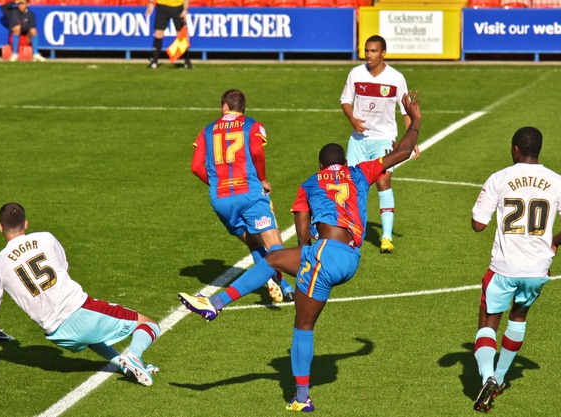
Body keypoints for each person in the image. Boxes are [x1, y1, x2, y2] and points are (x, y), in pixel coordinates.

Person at [180, 91, 422, 412]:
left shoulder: (310, 183)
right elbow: (404, 150)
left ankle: (217, 306)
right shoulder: (361, 172)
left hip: (324, 254)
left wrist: (307, 255)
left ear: (320, 166)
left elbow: (304, 234)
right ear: (343, 163)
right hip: (350, 259)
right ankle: (297, 395)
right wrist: (415, 119)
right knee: (277, 264)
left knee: (297, 311)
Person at [0, 203, 161, 387]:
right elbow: (65, 270)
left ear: (0, 227)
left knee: (91, 339)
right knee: (148, 324)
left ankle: (126, 365)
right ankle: (134, 356)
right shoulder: (46, 238)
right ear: (25, 223)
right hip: (81, 311)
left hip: (58, 334)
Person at [470, 126, 561, 412]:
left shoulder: (500, 178)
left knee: (488, 321)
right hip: (537, 268)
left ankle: (488, 376)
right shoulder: (558, 181)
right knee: (518, 317)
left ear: (515, 149)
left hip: (504, 266)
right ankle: (502, 378)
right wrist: (553, 242)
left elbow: (478, 224)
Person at [188, 89, 294, 305]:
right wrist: (263, 180)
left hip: (221, 199)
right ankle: (287, 285)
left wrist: (216, 183)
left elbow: (196, 166)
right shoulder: (252, 125)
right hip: (249, 193)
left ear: (224, 106)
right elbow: (256, 152)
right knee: (274, 245)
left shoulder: (207, 130)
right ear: (242, 108)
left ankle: (282, 284)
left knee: (254, 242)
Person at [340, 34, 419, 254]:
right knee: (354, 187)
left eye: (373, 51)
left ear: (383, 53)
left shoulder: (396, 78)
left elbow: (406, 111)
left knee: (383, 182)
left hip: (384, 138)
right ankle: (354, 232)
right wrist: (352, 120)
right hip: (358, 140)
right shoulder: (356, 74)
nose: (369, 55)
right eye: (366, 51)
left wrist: (412, 140)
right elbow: (345, 100)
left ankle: (386, 237)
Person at [146, 0, 192, 69]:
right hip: (162, 7)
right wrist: (151, 3)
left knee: (181, 35)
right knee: (158, 34)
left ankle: (187, 61)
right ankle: (154, 61)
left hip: (178, 7)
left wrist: (185, 9)